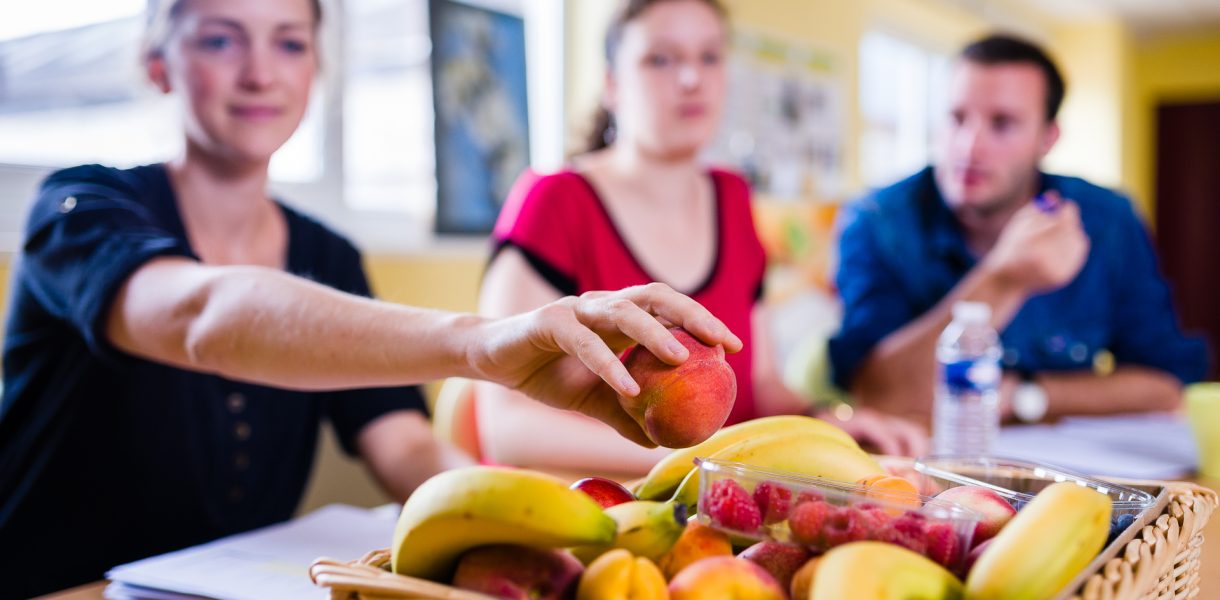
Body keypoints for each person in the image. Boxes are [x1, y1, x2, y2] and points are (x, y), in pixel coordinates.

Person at [0, 0, 744, 596]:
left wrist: (543, 537)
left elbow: (405, 445)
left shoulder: (328, 256)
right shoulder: (79, 205)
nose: (260, 73)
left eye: (290, 42)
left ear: (317, 68)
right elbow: (202, 316)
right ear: (158, 64)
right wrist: (479, 344)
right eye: (222, 41)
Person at [479, 0, 928, 474]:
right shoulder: (553, 200)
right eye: (661, 59)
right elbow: (508, 428)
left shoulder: (733, 197)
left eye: (709, 57)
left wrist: (830, 423)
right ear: (612, 85)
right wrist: (713, 463)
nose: (692, 79)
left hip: (712, 504)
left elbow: (762, 385)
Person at [829, 33, 1208, 424]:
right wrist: (1003, 278)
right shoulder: (876, 221)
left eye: (1002, 123)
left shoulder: (1106, 221)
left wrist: (1027, 395)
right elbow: (875, 396)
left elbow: (1166, 383)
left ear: (1047, 138)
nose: (969, 146)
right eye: (956, 118)